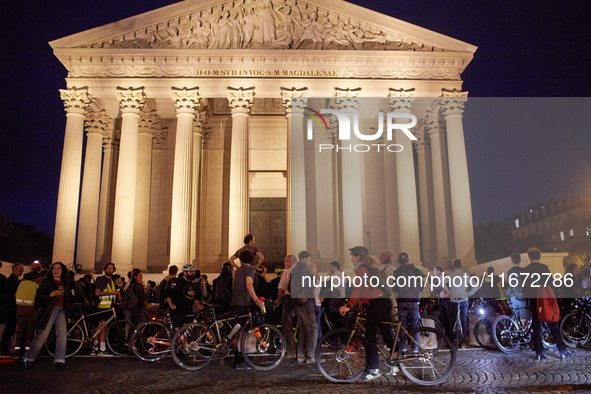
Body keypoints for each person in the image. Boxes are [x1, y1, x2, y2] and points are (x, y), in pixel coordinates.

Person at [339, 246, 393, 382]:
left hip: (376, 304)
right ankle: (397, 361)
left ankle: (374, 369)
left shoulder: (362, 269)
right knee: (387, 333)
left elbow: (358, 289)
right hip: (384, 301)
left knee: (370, 336)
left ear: (357, 257)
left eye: (352, 256)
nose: (351, 258)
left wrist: (349, 306)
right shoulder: (371, 268)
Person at [522, 247, 570, 361]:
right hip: (544, 300)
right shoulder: (544, 268)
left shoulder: (525, 270)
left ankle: (539, 352)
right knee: (553, 323)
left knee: (536, 326)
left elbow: (524, 287)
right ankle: (562, 351)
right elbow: (551, 283)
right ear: (539, 256)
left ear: (529, 257)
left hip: (533, 300)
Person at [23, 262, 72, 370]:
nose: (56, 270)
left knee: (62, 336)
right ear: (51, 270)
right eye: (54, 268)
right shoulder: (46, 282)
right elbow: (39, 297)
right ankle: (29, 358)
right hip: (49, 310)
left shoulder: (66, 283)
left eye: (58, 268)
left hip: (62, 311)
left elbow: (67, 300)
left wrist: (68, 314)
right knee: (42, 336)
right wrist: (51, 294)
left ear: (62, 270)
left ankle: (59, 360)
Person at [289, 250, 318, 365]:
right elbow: (305, 284)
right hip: (306, 301)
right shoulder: (305, 268)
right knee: (312, 328)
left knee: (302, 329)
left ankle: (300, 355)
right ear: (307, 258)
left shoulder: (294, 269)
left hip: (297, 302)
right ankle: (311, 356)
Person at [443, 258, 479, 348]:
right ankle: (464, 340)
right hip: (463, 299)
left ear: (453, 265)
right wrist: (469, 293)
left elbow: (442, 284)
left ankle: (451, 338)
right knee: (463, 319)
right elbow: (476, 286)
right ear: (460, 265)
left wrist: (449, 292)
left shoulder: (450, 275)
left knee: (452, 319)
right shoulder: (465, 275)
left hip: (454, 299)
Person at [392, 252, 423, 352]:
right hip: (414, 301)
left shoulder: (396, 272)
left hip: (402, 301)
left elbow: (395, 288)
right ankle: (415, 349)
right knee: (415, 325)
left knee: (402, 326)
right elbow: (421, 286)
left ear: (399, 262)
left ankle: (403, 348)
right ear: (409, 260)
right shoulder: (416, 271)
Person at [93, 262, 120, 356]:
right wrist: (111, 293)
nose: (109, 270)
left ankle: (95, 347)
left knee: (100, 328)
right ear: (105, 269)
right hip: (103, 307)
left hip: (107, 307)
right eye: (108, 268)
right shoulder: (102, 280)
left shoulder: (111, 280)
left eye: (111, 268)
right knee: (103, 328)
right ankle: (102, 349)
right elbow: (97, 293)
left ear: (113, 270)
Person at [275, 254, 296, 359]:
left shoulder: (287, 272)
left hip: (290, 301)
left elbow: (281, 289)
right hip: (303, 302)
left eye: (286, 261)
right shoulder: (302, 271)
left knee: (287, 325)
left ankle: (292, 351)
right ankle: (302, 352)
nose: (284, 263)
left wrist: (279, 300)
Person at [1, 263, 24, 356]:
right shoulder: (14, 282)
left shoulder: (10, 280)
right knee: (10, 329)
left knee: (9, 329)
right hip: (11, 308)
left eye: (22, 269)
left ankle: (5, 348)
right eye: (20, 269)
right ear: (14, 269)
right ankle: (4, 348)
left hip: (9, 307)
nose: (21, 271)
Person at [230, 250, 262, 315]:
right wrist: (256, 300)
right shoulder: (250, 269)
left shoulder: (237, 271)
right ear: (252, 259)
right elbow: (249, 284)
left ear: (240, 259)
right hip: (243, 303)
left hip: (234, 302)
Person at [505, 253, 529, 320]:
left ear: (512, 261)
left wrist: (507, 294)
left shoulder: (509, 272)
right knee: (524, 318)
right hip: (522, 297)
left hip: (513, 297)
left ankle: (516, 329)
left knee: (516, 318)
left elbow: (510, 285)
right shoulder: (524, 270)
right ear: (520, 260)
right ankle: (524, 329)